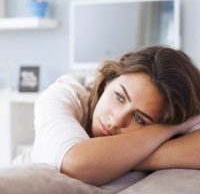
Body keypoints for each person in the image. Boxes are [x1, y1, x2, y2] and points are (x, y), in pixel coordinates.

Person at [14, 46, 200, 186]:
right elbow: (77, 164)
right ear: (109, 80)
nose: (117, 120)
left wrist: (115, 159)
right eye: (119, 97)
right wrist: (170, 129)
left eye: (139, 118)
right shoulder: (64, 95)